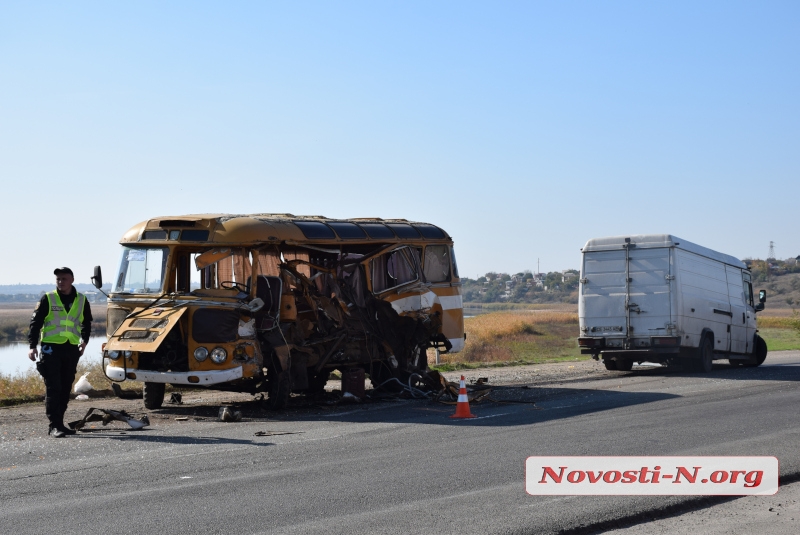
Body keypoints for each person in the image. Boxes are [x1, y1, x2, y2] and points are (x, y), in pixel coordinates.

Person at [28, 267, 93, 438]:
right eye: (58, 279)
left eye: (64, 278)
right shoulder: (48, 298)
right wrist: (32, 346)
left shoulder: (81, 299)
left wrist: (84, 341)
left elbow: (86, 322)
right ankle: (54, 425)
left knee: (65, 387)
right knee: (54, 387)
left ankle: (60, 423)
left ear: (72, 279)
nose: (60, 282)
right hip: (51, 349)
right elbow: (35, 323)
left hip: (71, 348)